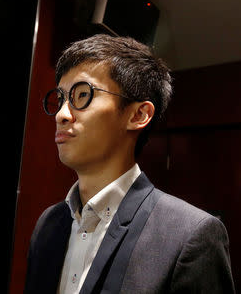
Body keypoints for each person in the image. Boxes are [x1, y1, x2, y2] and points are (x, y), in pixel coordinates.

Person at [24, 34, 234, 293]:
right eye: (60, 99)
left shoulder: (190, 234)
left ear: (138, 115)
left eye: (82, 95)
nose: (61, 115)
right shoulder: (49, 222)